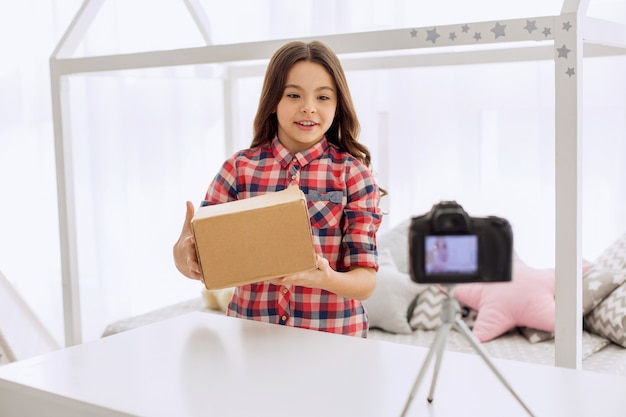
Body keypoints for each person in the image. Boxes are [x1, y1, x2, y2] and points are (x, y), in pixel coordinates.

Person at [173, 40, 383, 338]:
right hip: (254, 341)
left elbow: (366, 281)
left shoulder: (353, 175)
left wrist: (326, 278)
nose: (308, 107)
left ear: (337, 106)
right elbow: (203, 260)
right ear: (274, 101)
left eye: (323, 97)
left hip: (333, 342)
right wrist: (183, 256)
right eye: (293, 94)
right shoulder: (238, 170)